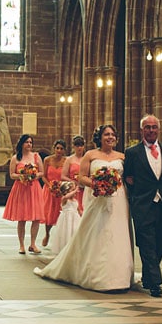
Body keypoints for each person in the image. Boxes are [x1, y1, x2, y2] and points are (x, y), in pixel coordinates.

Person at [34, 124, 134, 291]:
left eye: (112, 134)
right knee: (96, 232)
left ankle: (119, 275)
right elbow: (81, 177)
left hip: (118, 200)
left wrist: (115, 184)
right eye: (106, 134)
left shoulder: (122, 157)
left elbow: (128, 178)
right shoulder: (91, 155)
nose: (110, 137)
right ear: (99, 138)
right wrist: (97, 184)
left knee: (118, 233)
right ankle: (95, 273)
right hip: (98, 199)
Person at [123, 113, 162, 298]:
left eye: (154, 127)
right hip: (143, 204)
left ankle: (148, 276)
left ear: (158, 130)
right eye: (147, 127)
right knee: (146, 244)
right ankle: (155, 283)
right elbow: (128, 178)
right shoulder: (132, 153)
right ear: (141, 130)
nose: (151, 130)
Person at [2, 134, 45, 254]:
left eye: (31, 142)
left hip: (34, 188)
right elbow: (12, 175)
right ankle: (21, 245)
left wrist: (34, 175)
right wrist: (23, 176)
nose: (29, 144)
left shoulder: (36, 156)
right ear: (21, 144)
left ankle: (33, 244)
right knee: (22, 218)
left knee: (36, 217)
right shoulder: (15, 158)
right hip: (21, 188)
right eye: (27, 142)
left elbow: (42, 172)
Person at [40, 139, 68, 247]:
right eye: (57, 148)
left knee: (60, 213)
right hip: (49, 189)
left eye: (61, 149)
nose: (59, 150)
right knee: (49, 214)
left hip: (61, 190)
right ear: (54, 148)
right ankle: (47, 234)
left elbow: (67, 175)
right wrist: (49, 185)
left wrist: (62, 187)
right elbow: (43, 175)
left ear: (64, 150)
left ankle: (60, 237)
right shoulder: (47, 160)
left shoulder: (66, 161)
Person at [49, 181, 80, 254]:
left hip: (75, 219)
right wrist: (75, 190)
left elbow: (79, 210)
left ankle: (73, 249)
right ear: (66, 191)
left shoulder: (75, 201)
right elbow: (67, 196)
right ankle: (65, 249)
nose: (75, 192)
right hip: (67, 220)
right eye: (72, 190)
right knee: (66, 233)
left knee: (74, 233)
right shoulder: (64, 199)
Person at [61, 135, 86, 214]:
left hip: (84, 189)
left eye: (81, 145)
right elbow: (63, 176)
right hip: (73, 189)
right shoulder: (69, 159)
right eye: (77, 145)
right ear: (74, 147)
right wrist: (73, 182)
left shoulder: (86, 159)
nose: (79, 148)